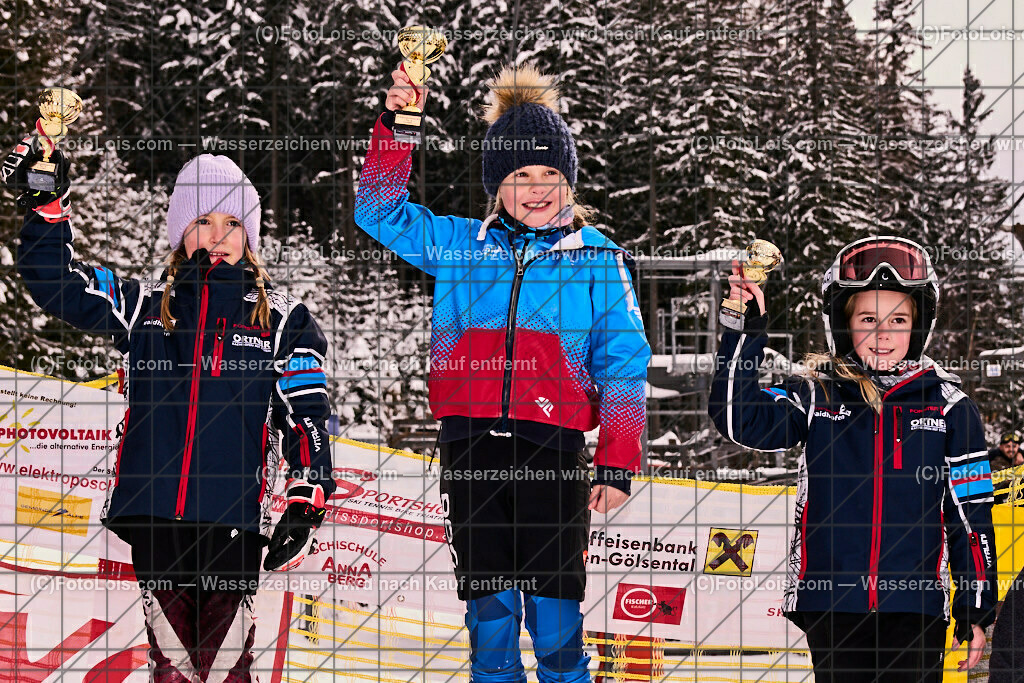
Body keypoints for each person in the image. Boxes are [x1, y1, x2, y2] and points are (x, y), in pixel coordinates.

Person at [354, 62, 651, 683]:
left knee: (555, 617)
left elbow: (624, 366)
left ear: (569, 181)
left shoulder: (597, 259)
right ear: (496, 185)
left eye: (550, 174)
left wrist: (617, 463)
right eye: (520, 175)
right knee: (489, 618)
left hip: (553, 450)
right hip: (470, 447)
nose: (537, 188)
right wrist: (399, 125)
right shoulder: (460, 246)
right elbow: (377, 213)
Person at [7, 141, 336, 681]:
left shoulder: (283, 321)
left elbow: (307, 414)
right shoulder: (143, 306)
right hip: (156, 516)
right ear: (181, 232)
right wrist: (47, 207)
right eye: (203, 221)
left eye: (232, 223)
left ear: (250, 235)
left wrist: (307, 497)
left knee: (226, 668)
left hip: (232, 521)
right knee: (173, 667)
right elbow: (57, 281)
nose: (218, 235)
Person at [709, 237, 997, 682]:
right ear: (844, 326)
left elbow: (971, 512)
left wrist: (975, 609)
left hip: (916, 609)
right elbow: (737, 418)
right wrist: (743, 330)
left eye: (898, 320)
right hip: (832, 605)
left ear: (918, 328)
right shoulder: (815, 394)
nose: (883, 335)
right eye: (868, 319)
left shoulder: (951, 407)